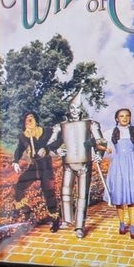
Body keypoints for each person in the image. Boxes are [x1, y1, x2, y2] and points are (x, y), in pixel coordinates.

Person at [46, 93, 107, 239]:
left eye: (77, 108)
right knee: (65, 192)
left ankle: (79, 226)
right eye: (72, 107)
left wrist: (99, 153)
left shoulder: (91, 124)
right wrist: (57, 150)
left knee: (82, 196)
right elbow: (50, 144)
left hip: (84, 164)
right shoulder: (60, 126)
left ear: (81, 109)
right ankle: (67, 219)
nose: (74, 110)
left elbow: (101, 141)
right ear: (69, 109)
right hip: (68, 164)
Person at [105, 107, 134, 238]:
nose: (125, 118)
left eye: (127, 116)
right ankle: (121, 223)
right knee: (119, 196)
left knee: (132, 197)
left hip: (132, 164)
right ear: (116, 118)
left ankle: (132, 227)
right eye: (121, 116)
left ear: (130, 117)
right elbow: (99, 145)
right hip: (118, 165)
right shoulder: (110, 132)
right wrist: (104, 148)